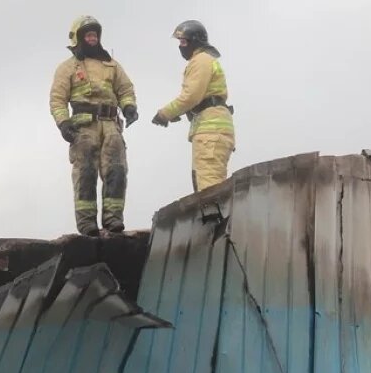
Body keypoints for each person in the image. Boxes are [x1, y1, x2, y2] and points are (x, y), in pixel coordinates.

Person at [49, 15, 138, 236]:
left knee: (117, 171)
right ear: (78, 38)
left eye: (94, 34)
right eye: (88, 35)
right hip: (84, 129)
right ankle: (87, 223)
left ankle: (113, 219)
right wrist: (63, 123)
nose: (92, 38)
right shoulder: (67, 68)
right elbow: (58, 99)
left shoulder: (112, 65)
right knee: (85, 173)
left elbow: (125, 89)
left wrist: (129, 107)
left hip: (111, 127)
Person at [152, 20, 235, 192]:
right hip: (213, 130)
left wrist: (164, 114)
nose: (180, 47)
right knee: (208, 187)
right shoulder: (206, 60)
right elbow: (201, 97)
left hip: (210, 133)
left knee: (209, 190)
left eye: (183, 42)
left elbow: (191, 96)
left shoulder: (200, 60)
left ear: (195, 41)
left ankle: (212, 212)